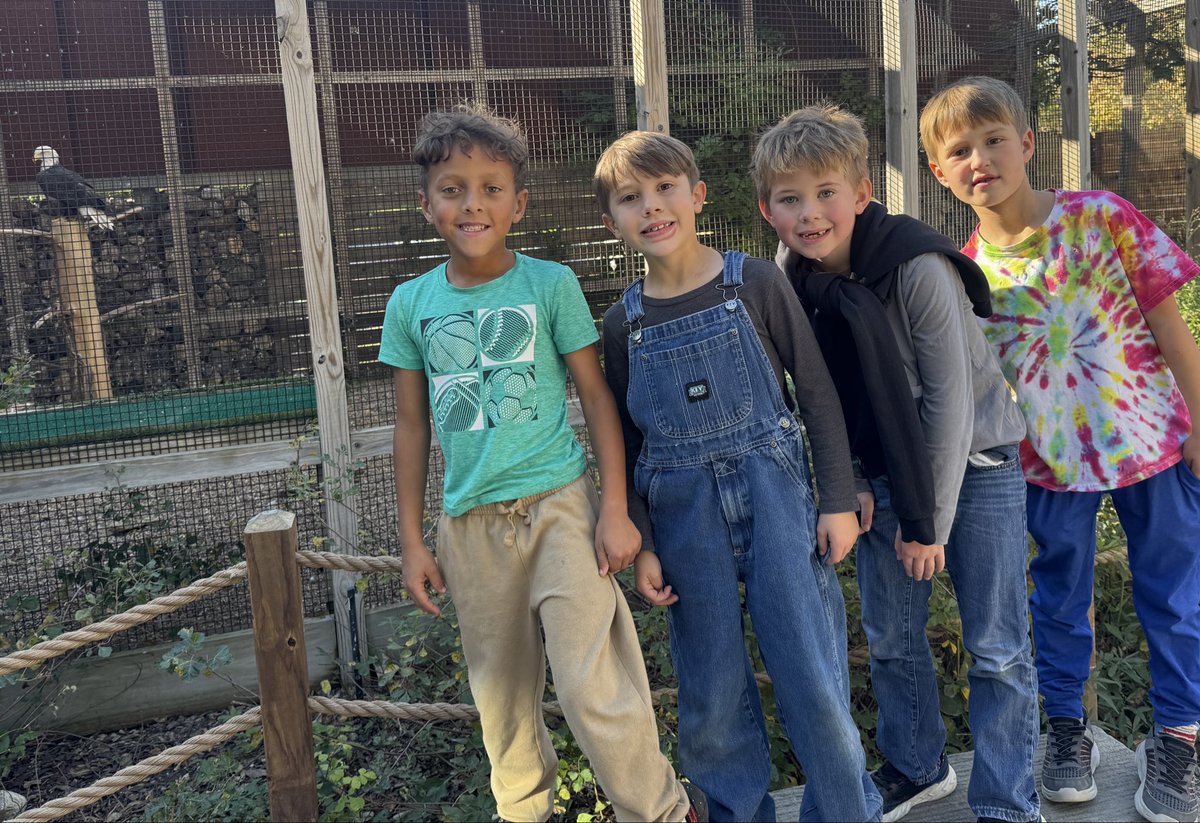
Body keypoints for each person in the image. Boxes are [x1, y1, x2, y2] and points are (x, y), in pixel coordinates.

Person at [380, 104, 706, 823]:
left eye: (491, 187)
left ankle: (657, 809)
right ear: (427, 203)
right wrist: (411, 541)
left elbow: (596, 398)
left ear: (518, 202)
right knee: (501, 699)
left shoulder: (550, 285)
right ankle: (524, 812)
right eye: (453, 188)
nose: (473, 203)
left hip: (561, 506)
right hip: (470, 527)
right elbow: (410, 425)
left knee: (593, 684)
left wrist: (614, 507)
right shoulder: (410, 304)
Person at [921, 75, 1200, 823]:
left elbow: (1171, 327)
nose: (980, 157)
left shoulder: (1103, 218)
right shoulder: (962, 273)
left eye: (993, 139)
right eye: (959, 150)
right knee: (1058, 602)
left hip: (1155, 445)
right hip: (1046, 464)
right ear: (939, 172)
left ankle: (1178, 736)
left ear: (1027, 144)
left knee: (1174, 593)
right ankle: (1067, 732)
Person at [753, 104, 1042, 823]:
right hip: (883, 476)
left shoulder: (917, 266)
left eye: (826, 193)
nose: (811, 213)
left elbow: (950, 404)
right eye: (791, 199)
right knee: (889, 638)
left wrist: (926, 522)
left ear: (861, 194)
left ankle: (1009, 799)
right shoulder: (797, 283)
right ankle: (917, 764)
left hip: (974, 466)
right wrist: (848, 477)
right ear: (768, 211)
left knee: (998, 645)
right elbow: (819, 394)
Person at [595, 129, 881, 823]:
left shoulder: (752, 280)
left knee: (811, 671)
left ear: (697, 196)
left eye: (665, 189)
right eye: (632, 199)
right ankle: (734, 812)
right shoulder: (620, 323)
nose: (652, 208)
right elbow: (627, 439)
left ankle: (846, 810)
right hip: (683, 515)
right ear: (613, 222)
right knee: (712, 689)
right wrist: (644, 538)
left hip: (777, 494)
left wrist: (837, 499)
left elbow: (814, 391)